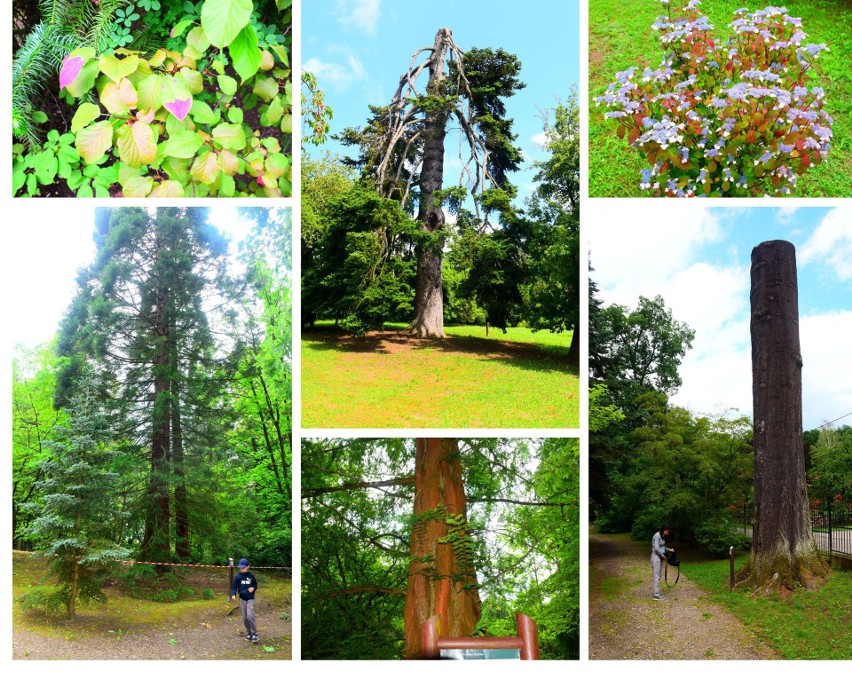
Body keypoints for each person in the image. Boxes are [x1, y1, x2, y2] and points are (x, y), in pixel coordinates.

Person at [230, 558, 259, 642]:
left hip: (250, 599)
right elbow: (234, 587)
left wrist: (253, 588)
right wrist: (233, 594)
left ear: (248, 567)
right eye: (240, 567)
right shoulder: (238, 576)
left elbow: (255, 585)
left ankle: (254, 634)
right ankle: (249, 633)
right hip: (242, 599)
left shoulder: (251, 576)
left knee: (250, 616)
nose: (241, 569)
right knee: (245, 617)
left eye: (243, 567)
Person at [651, 526, 674, 600]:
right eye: (667, 532)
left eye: (668, 532)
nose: (667, 533)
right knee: (656, 576)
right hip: (656, 557)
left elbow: (662, 547)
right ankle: (656, 595)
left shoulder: (662, 536)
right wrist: (663, 556)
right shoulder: (657, 535)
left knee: (658, 575)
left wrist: (669, 549)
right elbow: (656, 548)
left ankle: (656, 592)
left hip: (660, 557)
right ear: (663, 530)